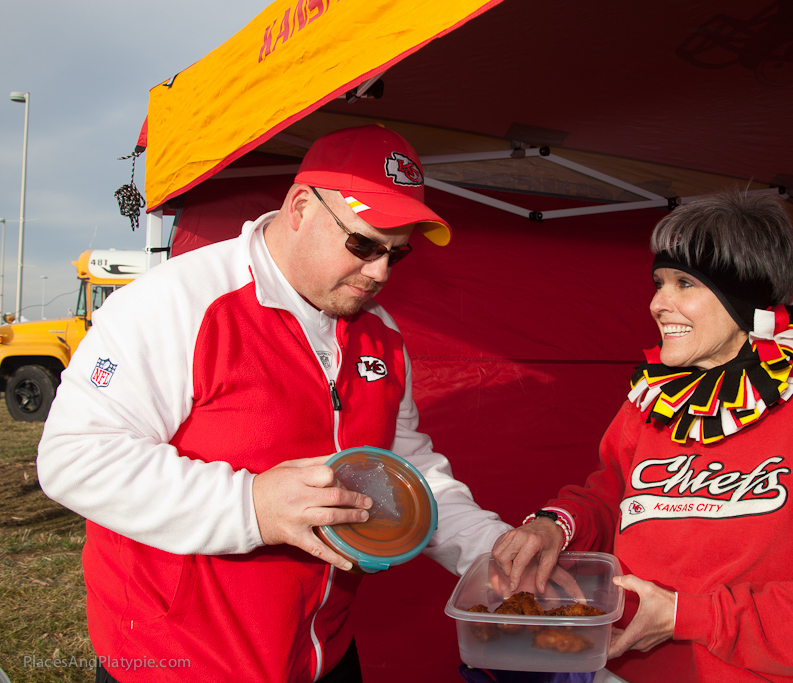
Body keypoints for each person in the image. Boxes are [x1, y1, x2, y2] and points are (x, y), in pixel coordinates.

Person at [36, 125, 511, 683]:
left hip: (324, 653)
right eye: (363, 245)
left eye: (396, 254)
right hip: (180, 664)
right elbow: (75, 458)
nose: (379, 272)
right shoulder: (177, 302)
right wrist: (253, 506)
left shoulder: (381, 332)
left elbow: (406, 469)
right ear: (301, 207)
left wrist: (494, 551)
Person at [492, 190, 793, 683]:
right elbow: (609, 499)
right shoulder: (652, 401)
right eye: (659, 283)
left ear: (743, 297)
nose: (657, 304)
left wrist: (687, 616)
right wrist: (554, 526)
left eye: (684, 283)